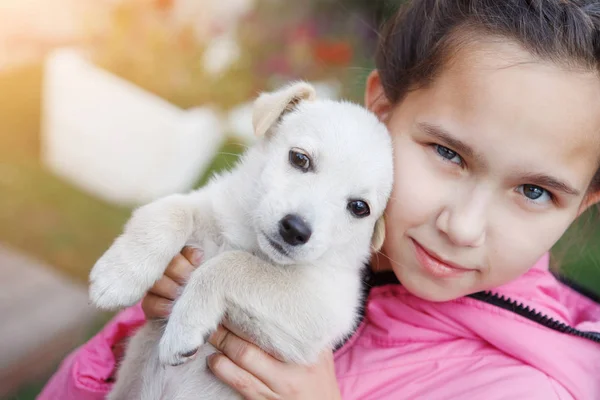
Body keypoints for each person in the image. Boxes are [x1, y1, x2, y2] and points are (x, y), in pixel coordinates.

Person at [38, 1, 600, 399]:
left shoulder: (524, 390)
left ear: (582, 205)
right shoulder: (289, 230)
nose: (463, 226)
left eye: (534, 191)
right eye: (448, 153)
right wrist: (150, 318)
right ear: (380, 113)